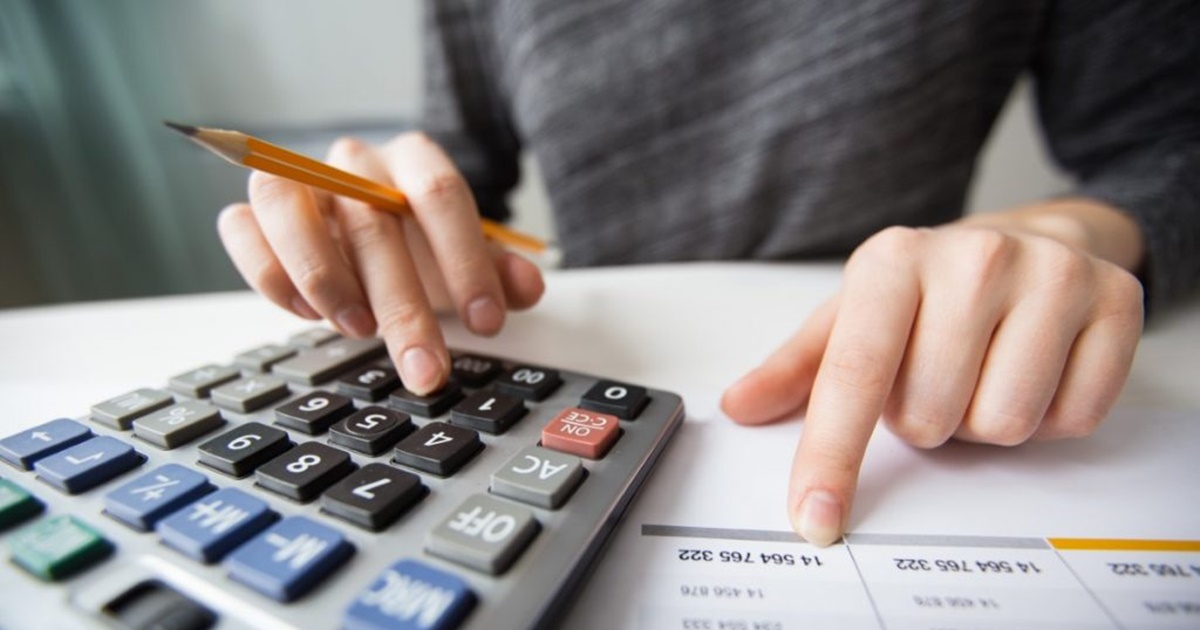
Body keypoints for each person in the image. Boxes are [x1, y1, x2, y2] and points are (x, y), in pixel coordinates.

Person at [216, 1, 1199, 546]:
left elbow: (1169, 137)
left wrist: (1069, 233)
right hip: (586, 362)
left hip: (913, 361)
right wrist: (392, 214)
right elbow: (466, 165)